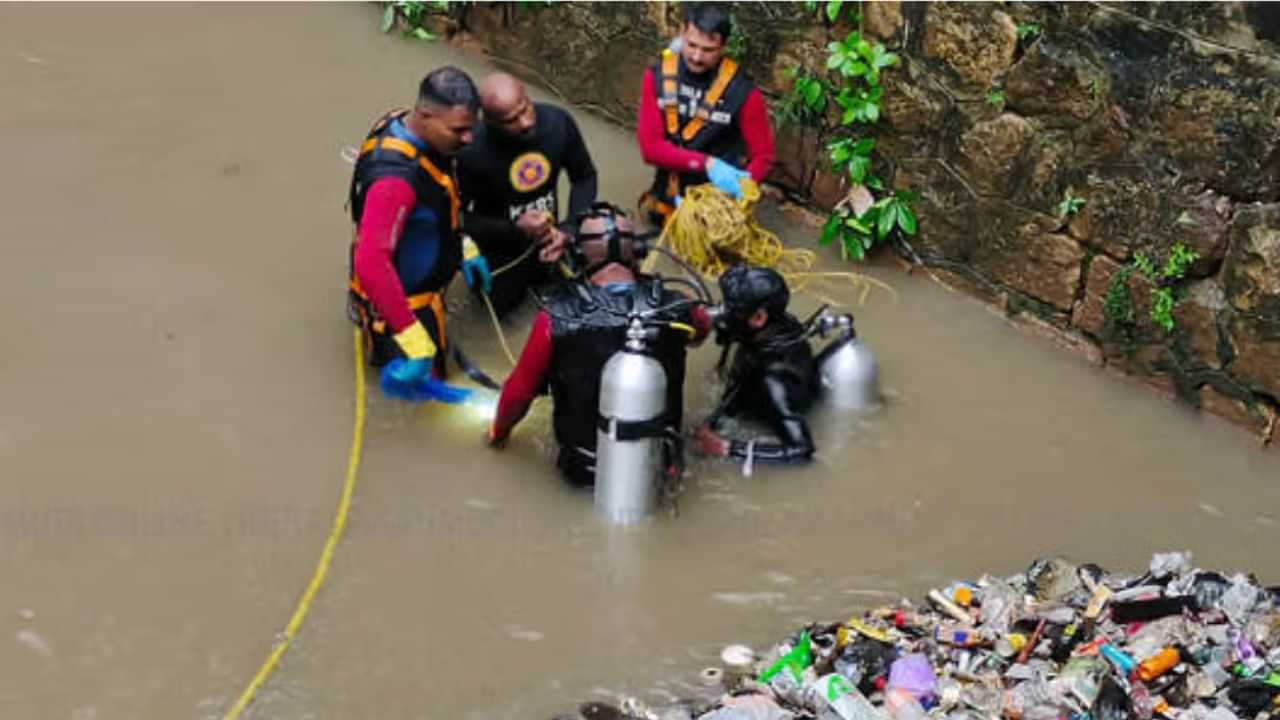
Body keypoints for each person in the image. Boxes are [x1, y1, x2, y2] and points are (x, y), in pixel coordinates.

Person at [486, 204, 713, 486]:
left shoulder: (555, 316)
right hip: (659, 468)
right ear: (639, 251)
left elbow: (519, 393)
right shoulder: (678, 307)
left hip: (584, 474)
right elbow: (701, 331)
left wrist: (497, 435)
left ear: (579, 256)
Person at [346, 66, 492, 391]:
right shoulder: (394, 182)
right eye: (459, 130)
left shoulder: (407, 126)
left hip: (421, 283)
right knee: (425, 397)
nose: (469, 139)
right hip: (404, 309)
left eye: (472, 128)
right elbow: (371, 263)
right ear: (425, 115)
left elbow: (439, 200)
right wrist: (412, 338)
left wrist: (463, 246)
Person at [457, 72, 597, 317]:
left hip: (551, 239)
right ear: (489, 121)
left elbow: (584, 177)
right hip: (500, 249)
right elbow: (457, 218)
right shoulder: (470, 151)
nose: (525, 123)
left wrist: (570, 229)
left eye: (525, 109)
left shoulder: (558, 123)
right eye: (511, 120)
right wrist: (514, 228)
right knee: (497, 310)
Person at [636, 2, 776, 226]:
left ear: (724, 47)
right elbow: (650, 149)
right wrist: (707, 164)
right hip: (666, 199)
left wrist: (743, 188)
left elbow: (764, 156)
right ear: (682, 33)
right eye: (691, 45)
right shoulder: (657, 76)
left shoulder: (743, 93)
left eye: (708, 50)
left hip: (716, 208)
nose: (697, 57)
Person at [693, 265, 819, 465]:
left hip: (770, 404)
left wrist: (726, 448)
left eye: (732, 308)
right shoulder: (781, 326)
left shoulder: (774, 380)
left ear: (759, 318)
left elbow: (802, 451)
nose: (724, 312)